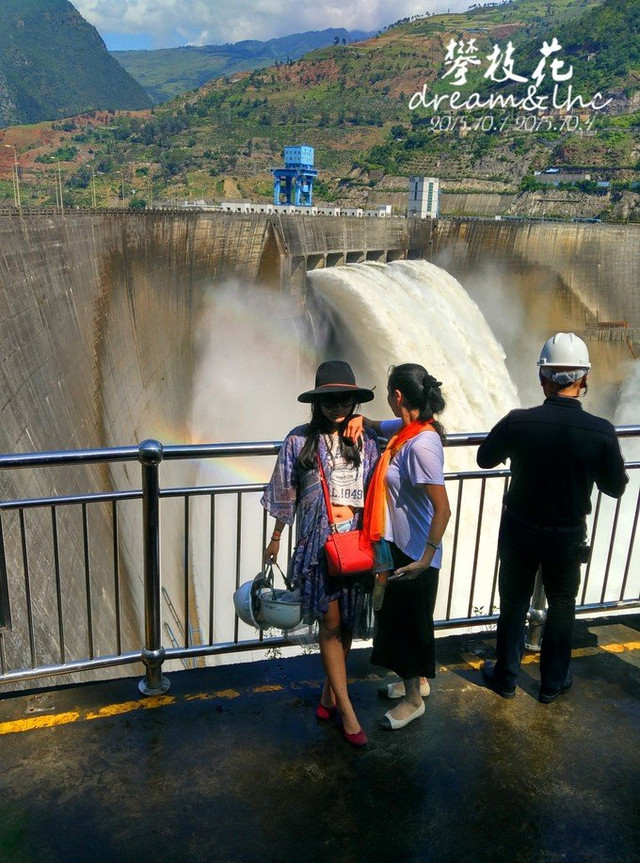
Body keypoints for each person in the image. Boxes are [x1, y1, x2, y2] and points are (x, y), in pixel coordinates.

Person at [477, 332, 628, 703]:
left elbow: (484, 458)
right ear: (584, 378)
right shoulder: (601, 431)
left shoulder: (519, 422)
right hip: (567, 533)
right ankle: (552, 683)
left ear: (542, 378)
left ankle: (507, 676)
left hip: (520, 528)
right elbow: (615, 486)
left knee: (513, 601)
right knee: (562, 603)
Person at [261, 360, 379, 747]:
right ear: (317, 402)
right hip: (317, 544)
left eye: (345, 399)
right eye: (330, 400)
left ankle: (329, 695)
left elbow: (378, 486)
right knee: (329, 622)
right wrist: (277, 535)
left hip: (355, 541)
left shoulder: (363, 439)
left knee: (346, 624)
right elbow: (285, 490)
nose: (338, 407)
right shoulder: (298, 441)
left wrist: (370, 422)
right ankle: (347, 711)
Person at [348, 363, 451, 730]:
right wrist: (361, 421)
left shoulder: (421, 444)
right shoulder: (406, 430)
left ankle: (412, 700)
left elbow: (443, 509)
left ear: (397, 396)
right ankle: (418, 682)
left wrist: (425, 558)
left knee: (407, 625)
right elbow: (377, 427)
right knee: (406, 620)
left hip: (416, 551)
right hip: (400, 544)